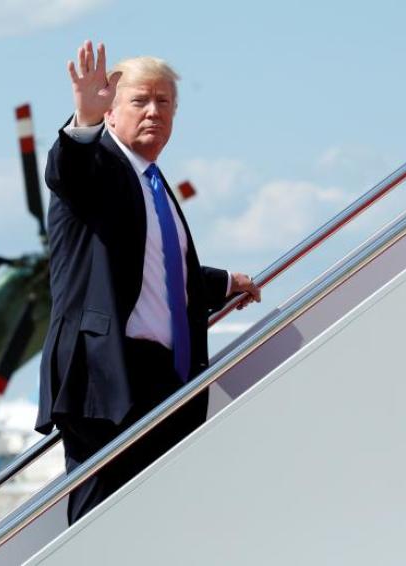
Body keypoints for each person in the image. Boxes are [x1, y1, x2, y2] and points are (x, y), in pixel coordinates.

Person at [35, 40, 261, 525]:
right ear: (112, 111)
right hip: (105, 373)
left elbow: (157, 269)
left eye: (164, 102)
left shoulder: (153, 183)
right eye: (139, 100)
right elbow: (66, 172)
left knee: (158, 517)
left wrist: (224, 283)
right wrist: (83, 122)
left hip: (165, 375)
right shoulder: (100, 167)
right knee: (104, 519)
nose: (153, 111)